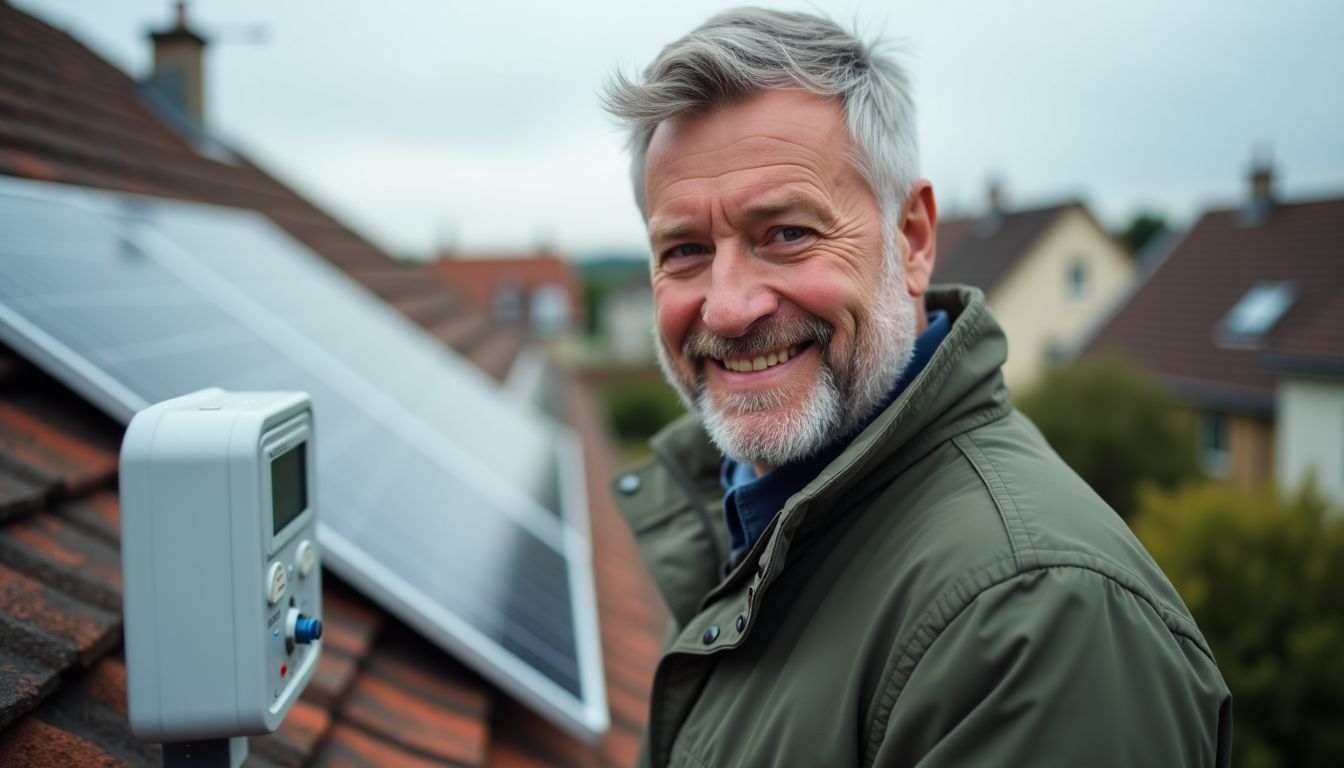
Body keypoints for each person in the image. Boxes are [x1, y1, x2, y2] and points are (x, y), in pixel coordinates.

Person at [604, 8, 1231, 768]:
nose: (729, 307)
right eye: (686, 250)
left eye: (787, 233)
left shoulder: (1036, 620)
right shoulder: (750, 519)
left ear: (912, 239)